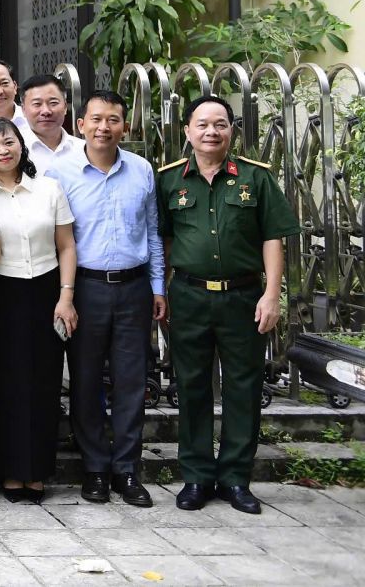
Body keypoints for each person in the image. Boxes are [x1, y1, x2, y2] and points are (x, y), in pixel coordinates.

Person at [158, 95, 299, 516]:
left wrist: (271, 294)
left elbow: (273, 237)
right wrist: (160, 291)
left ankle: (236, 478)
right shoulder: (169, 180)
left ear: (231, 130)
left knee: (244, 387)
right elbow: (164, 241)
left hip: (243, 297)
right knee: (192, 386)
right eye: (202, 124)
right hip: (189, 296)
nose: (211, 132)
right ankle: (197, 477)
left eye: (220, 124)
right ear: (187, 131)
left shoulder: (256, 177)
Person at [43, 89, 164, 508]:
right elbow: (56, 239)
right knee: (86, 379)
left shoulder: (141, 170)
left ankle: (127, 470)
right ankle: (95, 467)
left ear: (124, 126)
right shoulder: (59, 173)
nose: (103, 127)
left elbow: (152, 232)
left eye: (113, 119)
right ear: (80, 125)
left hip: (133, 287)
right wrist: (64, 295)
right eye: (95, 119)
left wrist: (158, 286)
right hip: (85, 288)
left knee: (132, 381)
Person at [0, 117, 76, 504]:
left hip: (47, 290)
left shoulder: (48, 188)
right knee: (5, 384)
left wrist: (66, 296)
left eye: (9, 142)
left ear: (21, 145)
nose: (3, 150)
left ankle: (37, 471)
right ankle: (10, 471)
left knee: (43, 382)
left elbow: (66, 245)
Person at [21, 73, 83, 168]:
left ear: (65, 107)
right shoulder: (14, 151)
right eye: (37, 104)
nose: (46, 111)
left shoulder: (84, 150)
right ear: (23, 109)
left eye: (53, 103)